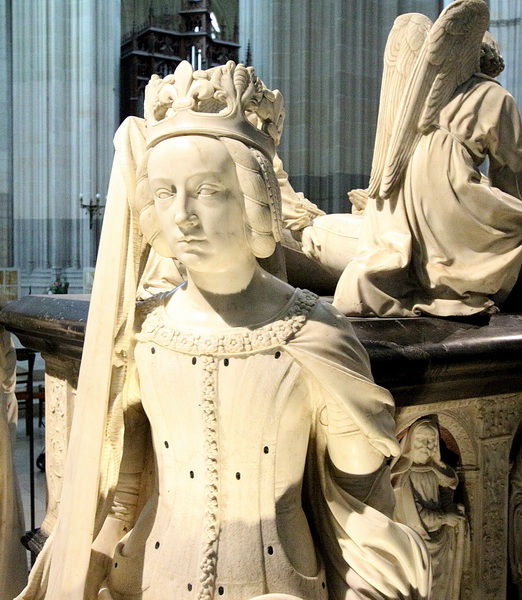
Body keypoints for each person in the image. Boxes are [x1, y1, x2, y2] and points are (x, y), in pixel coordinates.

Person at [17, 61, 429, 600]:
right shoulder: (143, 331)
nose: (182, 216)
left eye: (207, 190)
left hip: (278, 583)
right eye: (164, 193)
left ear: (256, 199)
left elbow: (358, 497)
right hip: (151, 579)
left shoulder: (314, 332)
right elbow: (124, 490)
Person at [333, 0, 522, 317]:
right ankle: (463, 276)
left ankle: (430, 270)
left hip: (408, 178)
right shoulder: (496, 96)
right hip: (449, 187)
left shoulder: (427, 95)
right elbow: (511, 168)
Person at [391, 419, 468, 600]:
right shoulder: (402, 477)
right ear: (411, 442)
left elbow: (446, 493)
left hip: (441, 541)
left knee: (443, 587)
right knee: (423, 589)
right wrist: (445, 517)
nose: (426, 445)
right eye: (421, 439)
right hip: (417, 543)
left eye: (431, 440)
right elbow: (413, 516)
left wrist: (452, 509)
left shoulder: (437, 471)